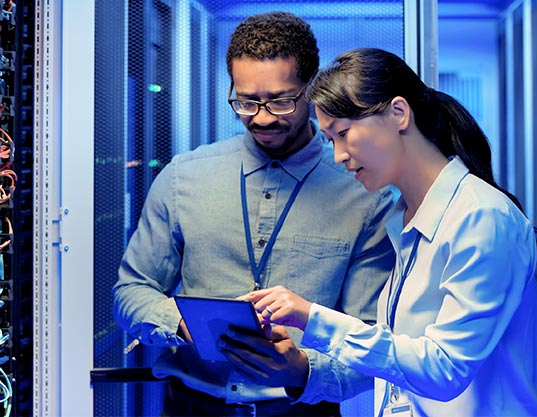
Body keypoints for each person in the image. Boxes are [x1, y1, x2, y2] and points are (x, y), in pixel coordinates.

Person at [112, 13, 397, 417]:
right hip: (190, 407)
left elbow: (373, 340)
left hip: (301, 410)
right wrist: (178, 322)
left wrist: (300, 369)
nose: (261, 118)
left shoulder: (364, 195)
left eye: (281, 101)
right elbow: (129, 293)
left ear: (313, 90)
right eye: (245, 102)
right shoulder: (182, 177)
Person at [241, 47, 537, 417]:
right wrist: (299, 369)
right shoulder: (405, 219)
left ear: (398, 113)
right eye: (330, 141)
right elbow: (397, 364)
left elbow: (443, 369)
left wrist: (310, 316)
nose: (338, 156)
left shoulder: (481, 216)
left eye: (343, 133)